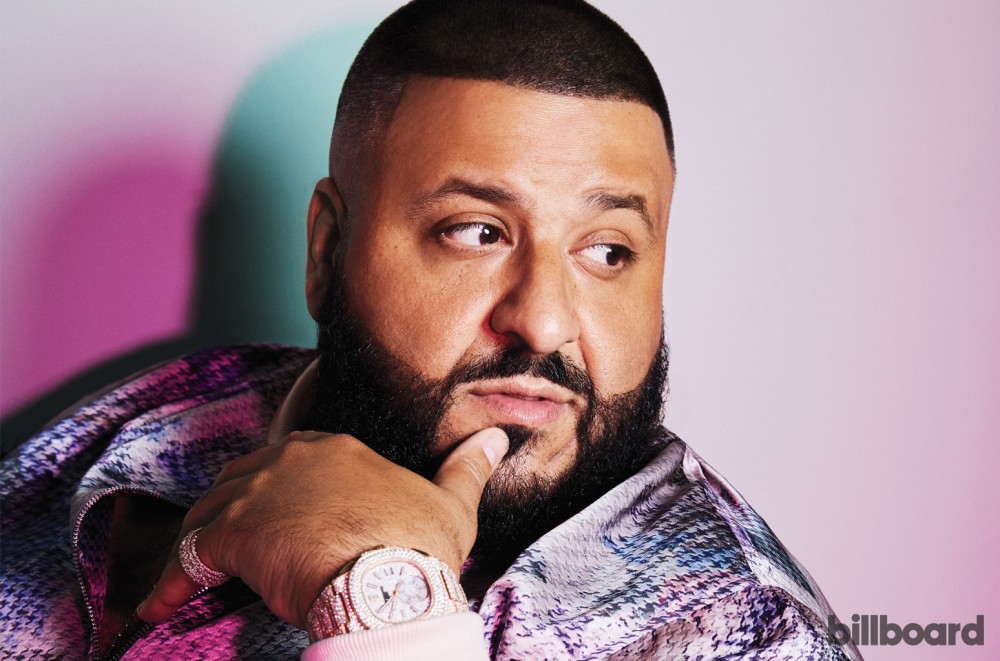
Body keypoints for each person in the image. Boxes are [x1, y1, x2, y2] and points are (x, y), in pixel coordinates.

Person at [0, 1, 860, 659]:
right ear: (329, 250)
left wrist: (386, 605)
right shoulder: (142, 434)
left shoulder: (740, 630)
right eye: (477, 232)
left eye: (607, 251)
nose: (543, 321)